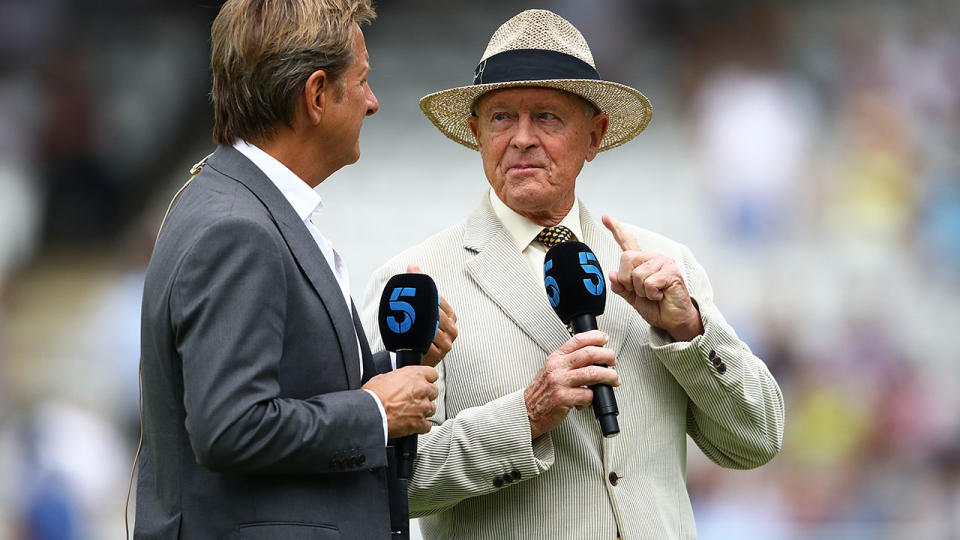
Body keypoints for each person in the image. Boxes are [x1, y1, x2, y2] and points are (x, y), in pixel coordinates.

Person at [361, 9, 784, 539]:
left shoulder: (661, 266)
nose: (521, 139)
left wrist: (689, 332)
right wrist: (527, 416)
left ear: (594, 135)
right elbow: (392, 481)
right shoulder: (413, 284)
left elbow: (757, 441)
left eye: (547, 117)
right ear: (475, 134)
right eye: (500, 118)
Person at [134, 1, 456, 538]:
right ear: (315, 96)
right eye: (362, 81)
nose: (373, 103)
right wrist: (376, 411)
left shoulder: (240, 204)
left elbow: (287, 388)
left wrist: (394, 365)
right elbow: (232, 427)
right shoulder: (237, 229)